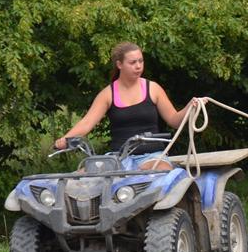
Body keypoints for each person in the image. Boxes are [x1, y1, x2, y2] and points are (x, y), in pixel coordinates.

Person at [54, 41, 202, 171]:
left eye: (141, 61)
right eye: (133, 62)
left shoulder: (153, 88)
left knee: (161, 171)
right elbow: (86, 123)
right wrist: (65, 139)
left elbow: (174, 120)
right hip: (118, 158)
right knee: (81, 177)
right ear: (119, 65)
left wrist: (190, 107)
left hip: (152, 157)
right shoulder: (107, 94)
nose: (138, 66)